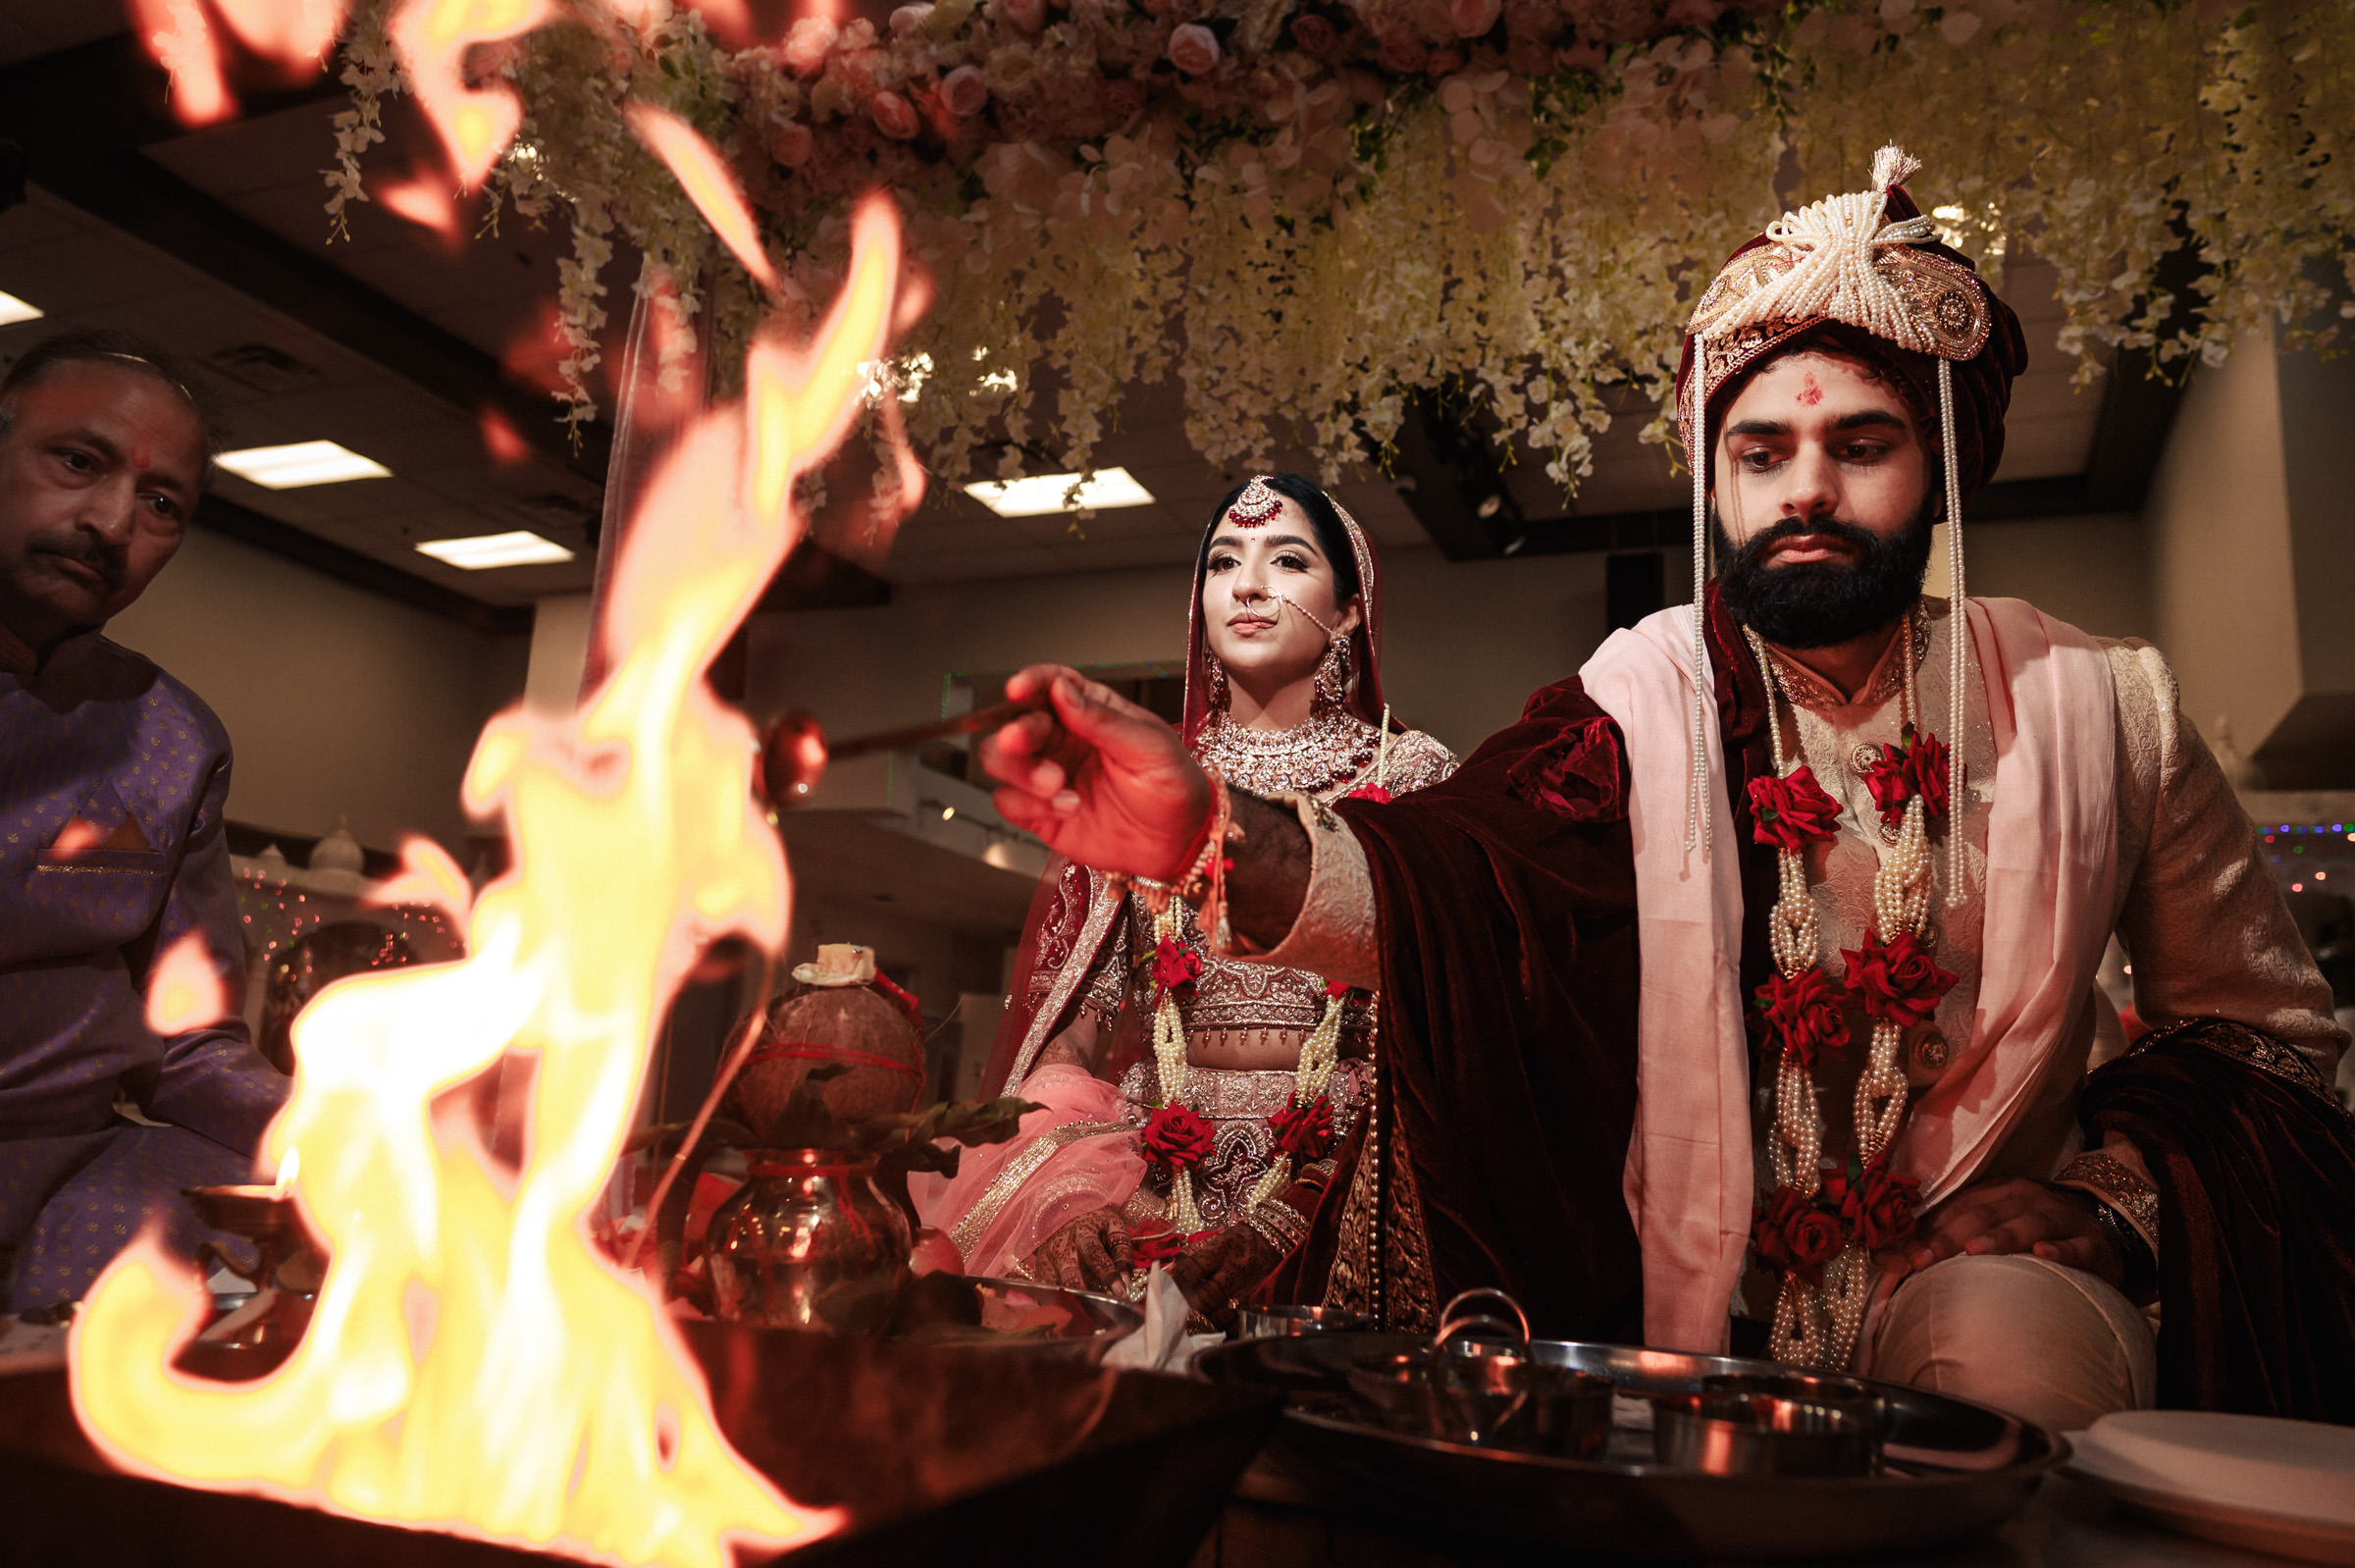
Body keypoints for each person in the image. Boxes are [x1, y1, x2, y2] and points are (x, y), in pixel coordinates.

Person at [974, 148, 2355, 1429]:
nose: (1805, 487)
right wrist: (1213, 830)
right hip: (1672, 1272)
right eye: (1760, 456)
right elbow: (1458, 885)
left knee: (2005, 1357)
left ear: (1940, 466)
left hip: (1964, 1266)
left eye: (1861, 445)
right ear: (1717, 485)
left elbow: (2266, 1037)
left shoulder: (2107, 708)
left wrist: (2111, 1208)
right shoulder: (1632, 712)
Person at [915, 474, 1454, 1324]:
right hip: (1151, 1186)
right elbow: (1077, 1026)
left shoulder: (1410, 776)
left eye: (1287, 560)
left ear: (1351, 611)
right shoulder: (1142, 781)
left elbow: (1446, 1022)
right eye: (1222, 562)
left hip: (1344, 1189)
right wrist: (1088, 1190)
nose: (1247, 585)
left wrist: (1317, 1189)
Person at [0, 331, 288, 1312]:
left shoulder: (173, 738)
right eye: (76, 461)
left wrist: (343, 1134)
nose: (113, 521)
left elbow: (190, 1038)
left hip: (75, 1168)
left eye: (163, 504)